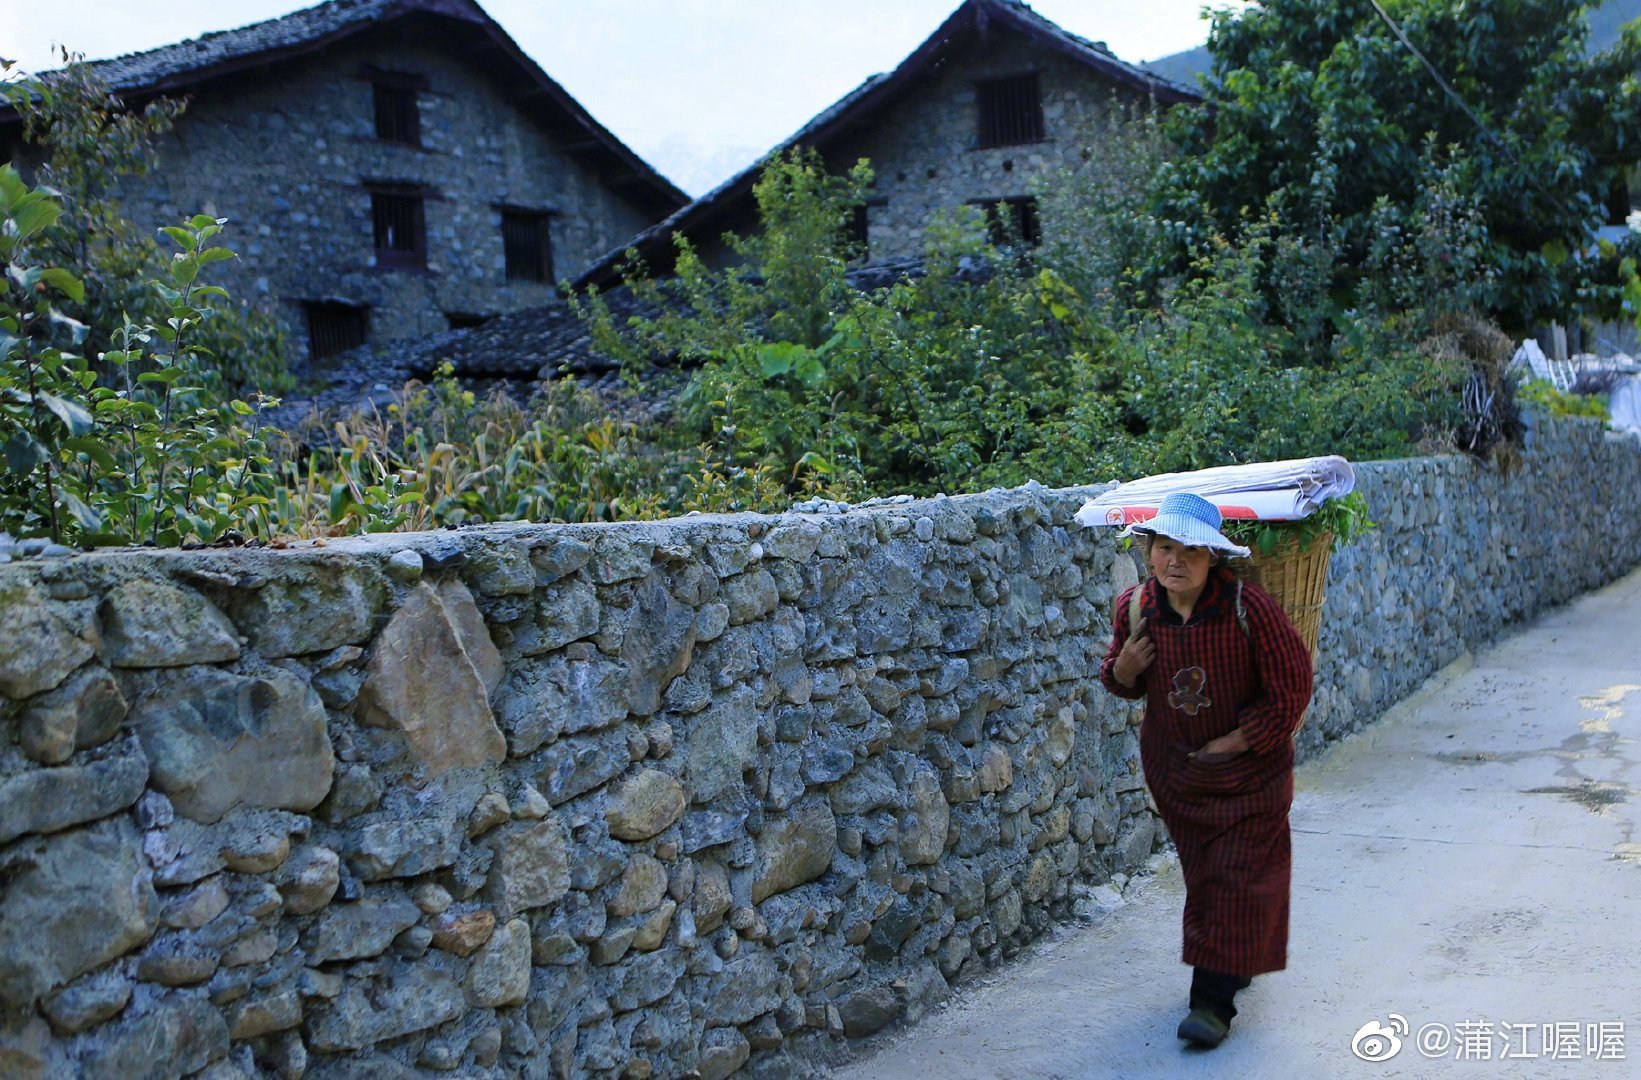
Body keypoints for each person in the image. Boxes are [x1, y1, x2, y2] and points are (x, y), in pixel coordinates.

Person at [1098, 491, 1313, 1049]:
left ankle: (1210, 1006)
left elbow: (1292, 687)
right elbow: (1120, 683)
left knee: (1235, 876)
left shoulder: (1249, 609)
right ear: (1148, 553)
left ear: (1212, 558)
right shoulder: (1135, 610)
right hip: (1179, 778)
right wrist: (1121, 668)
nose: (1176, 561)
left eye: (1190, 552)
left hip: (1252, 777)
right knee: (1210, 879)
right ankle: (1231, 964)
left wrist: (1240, 740)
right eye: (1165, 548)